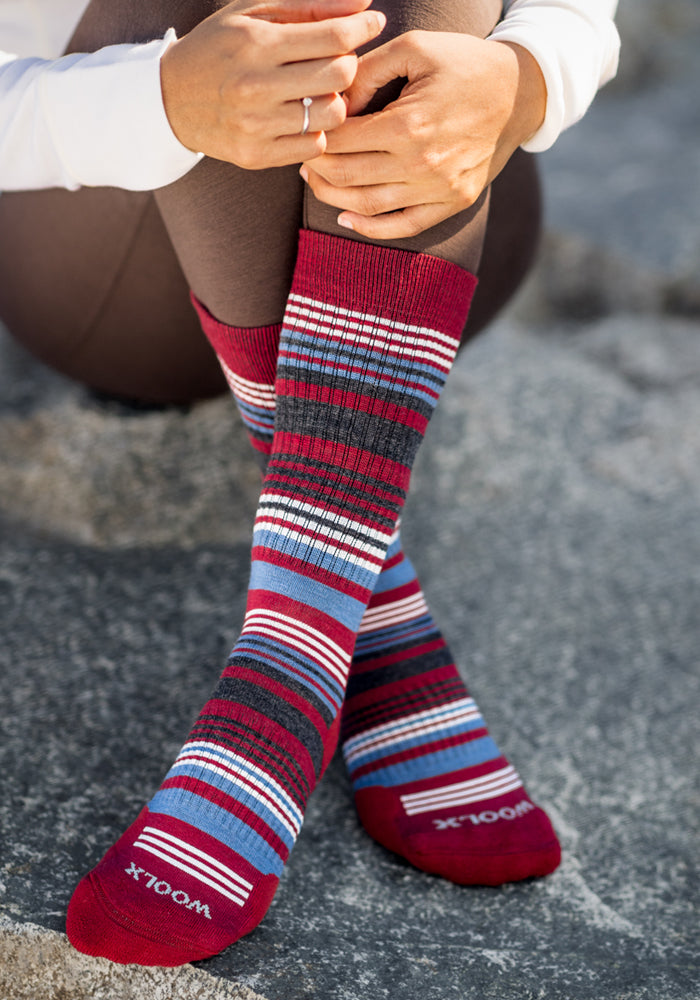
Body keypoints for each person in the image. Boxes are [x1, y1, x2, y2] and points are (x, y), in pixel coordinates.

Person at [0, 0, 620, 968]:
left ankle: (288, 668)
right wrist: (160, 99)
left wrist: (525, 78)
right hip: (114, 247)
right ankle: (336, 618)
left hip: (456, 198)